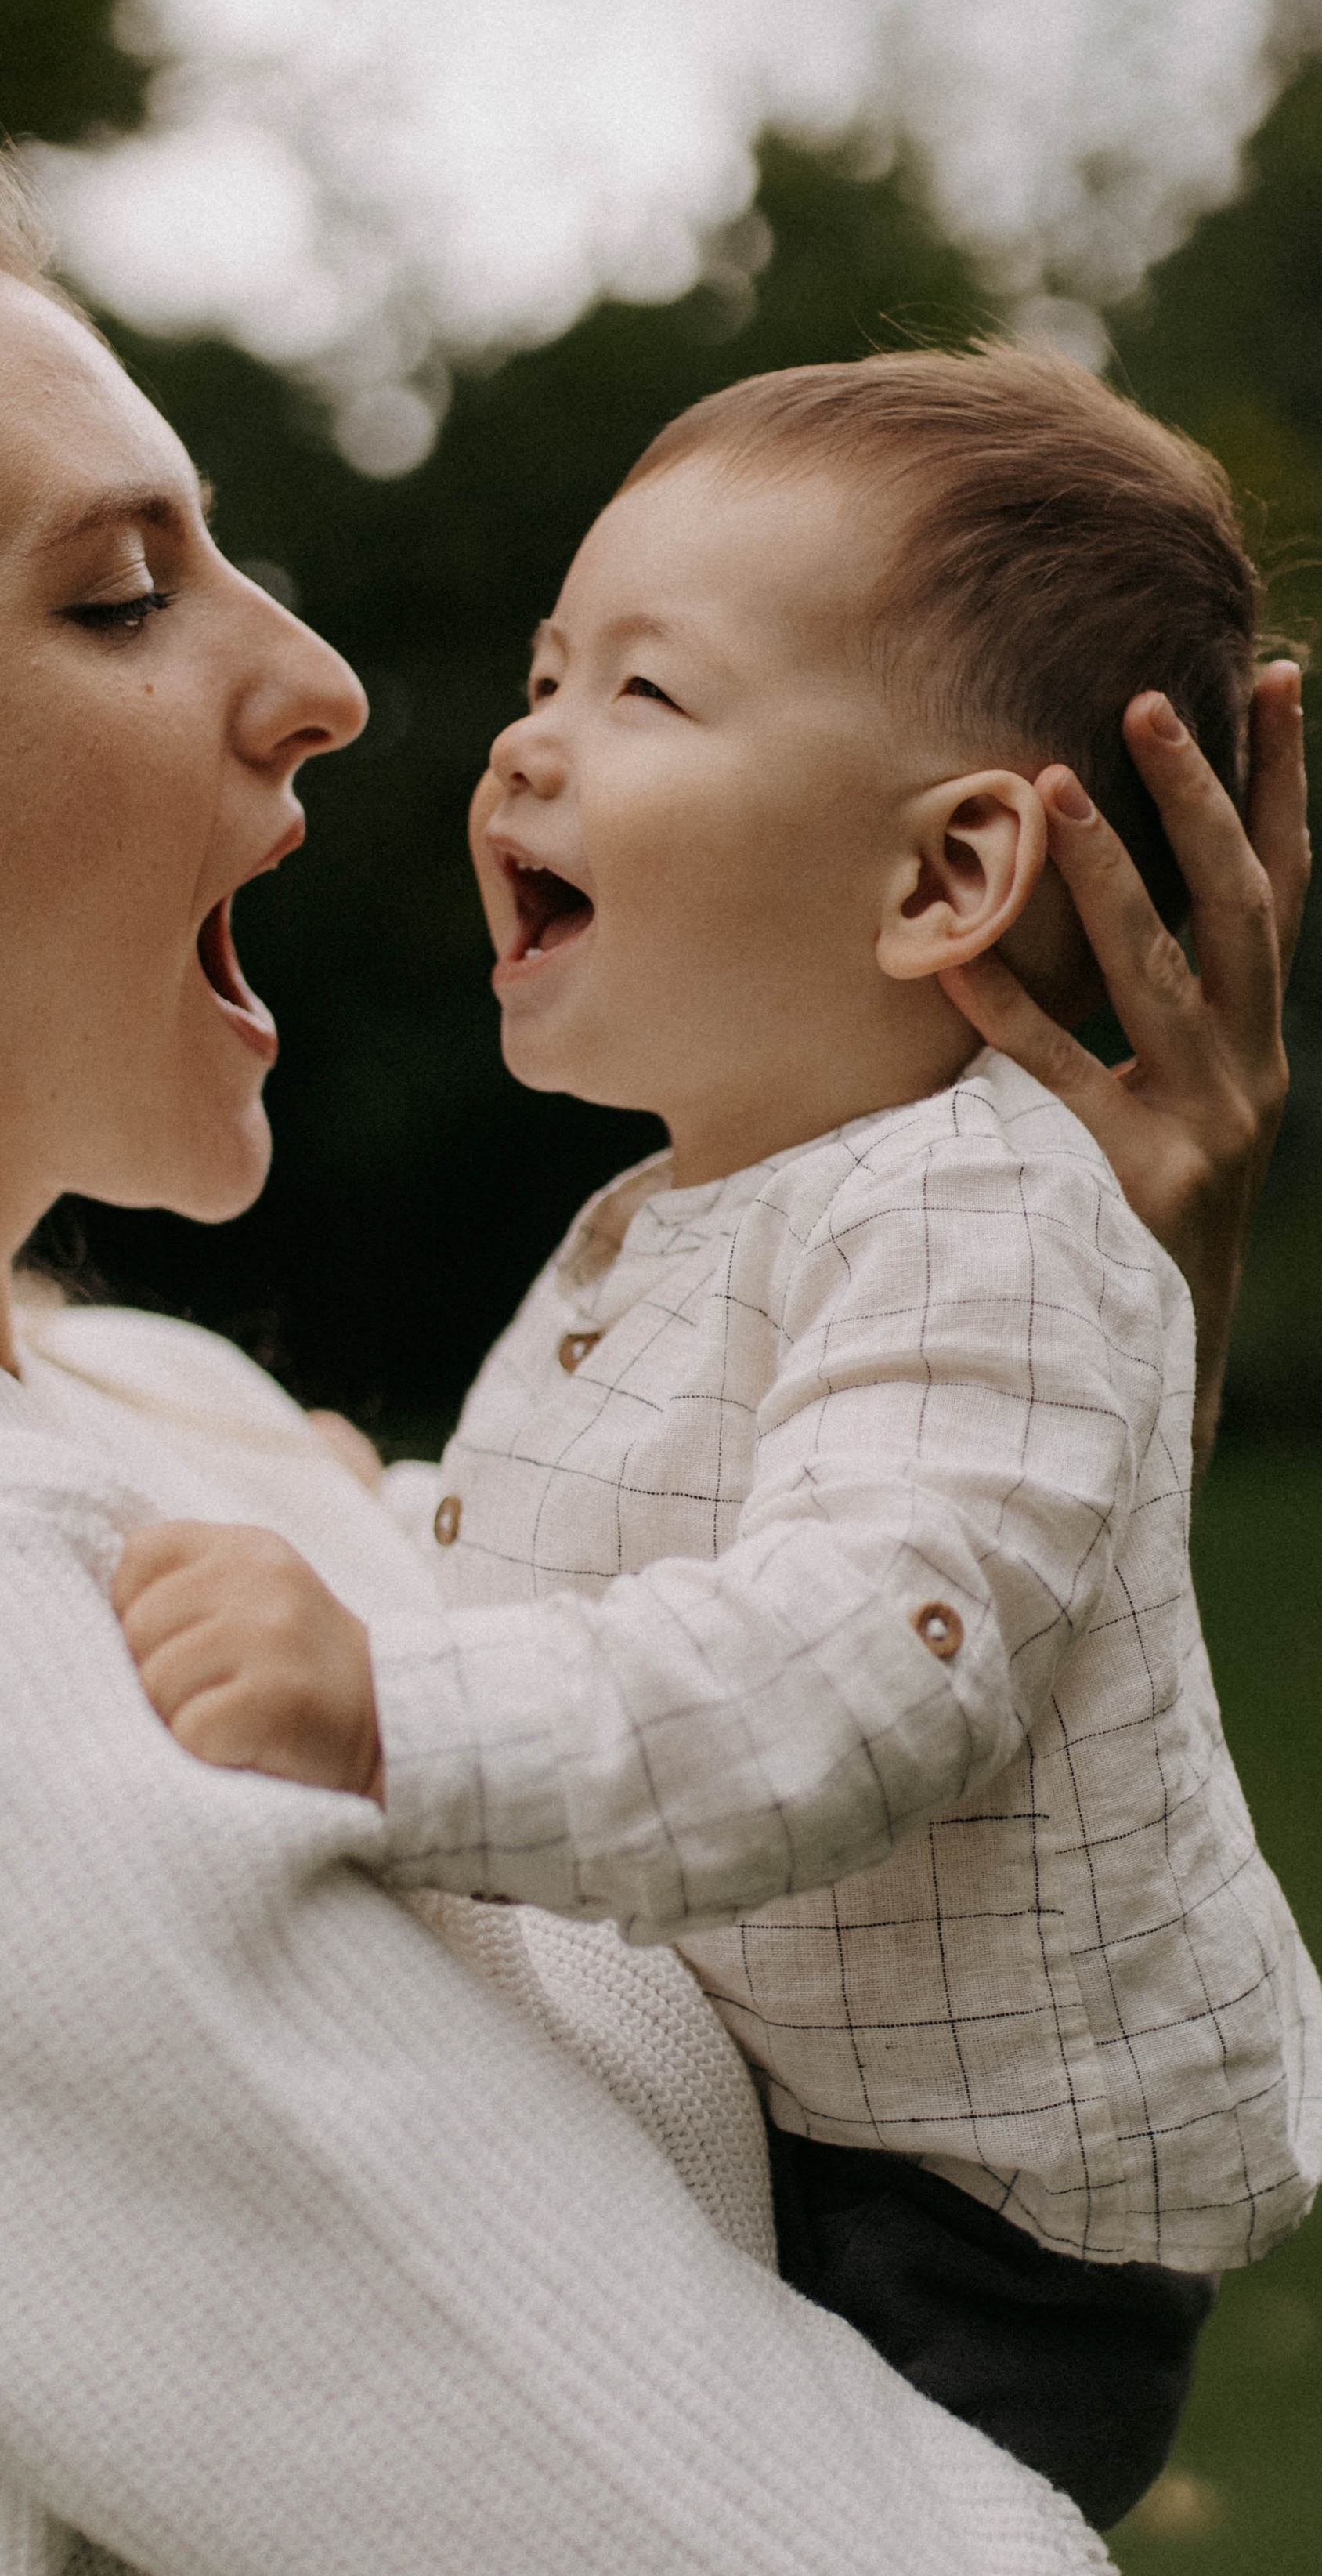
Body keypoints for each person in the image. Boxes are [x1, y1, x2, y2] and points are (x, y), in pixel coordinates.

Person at [0, 121, 1301, 2576]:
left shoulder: (139, 1410)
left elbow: (791, 1663)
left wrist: (1061, 1325)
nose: (334, 683)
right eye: (126, 598)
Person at [114, 347, 1321, 2531]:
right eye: (546, 670)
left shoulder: (979, 1217)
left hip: (961, 2232)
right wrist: (377, 1514)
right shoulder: (717, 1196)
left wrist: (388, 1699)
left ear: (946, 873)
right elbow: (640, 1553)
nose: (524, 740)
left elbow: (849, 1659)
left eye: (644, 697)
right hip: (819, 2119)